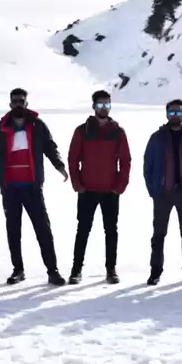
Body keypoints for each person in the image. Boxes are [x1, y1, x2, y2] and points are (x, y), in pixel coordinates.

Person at [0, 88, 69, 286]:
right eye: (15, 101)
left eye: (22, 100)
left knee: (43, 229)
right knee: (13, 230)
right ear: (10, 104)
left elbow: (50, 148)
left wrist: (60, 166)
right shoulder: (1, 128)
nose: (18, 103)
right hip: (10, 188)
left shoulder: (37, 126)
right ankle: (18, 270)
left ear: (26, 103)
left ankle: (52, 271)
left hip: (32, 187)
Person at [66, 90, 130, 285]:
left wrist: (120, 186)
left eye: (107, 105)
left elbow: (126, 160)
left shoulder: (117, 131)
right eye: (100, 104)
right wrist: (77, 184)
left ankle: (111, 269)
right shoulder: (82, 131)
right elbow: (73, 158)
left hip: (110, 191)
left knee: (111, 231)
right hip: (87, 190)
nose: (104, 108)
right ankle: (76, 269)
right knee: (83, 230)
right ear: (94, 106)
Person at [142, 99, 182, 286]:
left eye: (178, 112)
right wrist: (154, 190)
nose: (175, 115)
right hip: (163, 194)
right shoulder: (157, 137)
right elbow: (148, 165)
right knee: (159, 234)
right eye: (171, 112)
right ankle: (155, 270)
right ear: (166, 114)